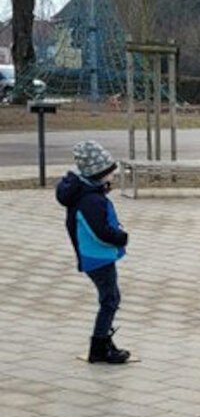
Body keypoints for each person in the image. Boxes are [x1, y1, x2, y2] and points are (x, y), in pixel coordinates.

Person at [56, 140, 130, 363]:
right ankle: (99, 347)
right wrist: (121, 237)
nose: (113, 175)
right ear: (98, 173)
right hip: (98, 257)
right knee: (110, 300)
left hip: (94, 256)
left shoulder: (86, 193)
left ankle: (102, 341)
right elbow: (101, 232)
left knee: (111, 298)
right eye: (110, 172)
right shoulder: (91, 200)